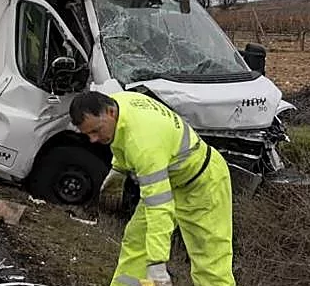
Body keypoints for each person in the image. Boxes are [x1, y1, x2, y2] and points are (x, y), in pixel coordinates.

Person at [70, 90, 235, 286]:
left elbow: (159, 209)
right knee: (137, 243)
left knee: (210, 262)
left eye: (96, 131)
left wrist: (157, 264)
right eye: (87, 134)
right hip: (170, 177)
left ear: (110, 112)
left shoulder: (144, 145)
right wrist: (119, 169)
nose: (93, 140)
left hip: (203, 184)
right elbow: (122, 138)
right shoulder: (120, 103)